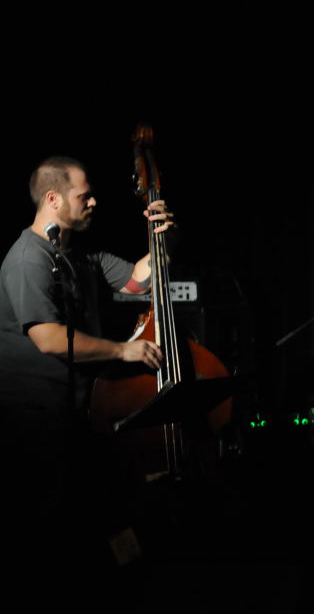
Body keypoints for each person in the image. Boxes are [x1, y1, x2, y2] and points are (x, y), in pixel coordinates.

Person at [0, 155, 172, 564]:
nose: (94, 202)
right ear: (53, 198)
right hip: (37, 418)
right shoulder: (29, 259)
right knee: (56, 528)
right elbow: (48, 338)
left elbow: (139, 281)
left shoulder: (80, 256)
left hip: (81, 411)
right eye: (84, 196)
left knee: (107, 512)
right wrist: (123, 349)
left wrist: (163, 239)